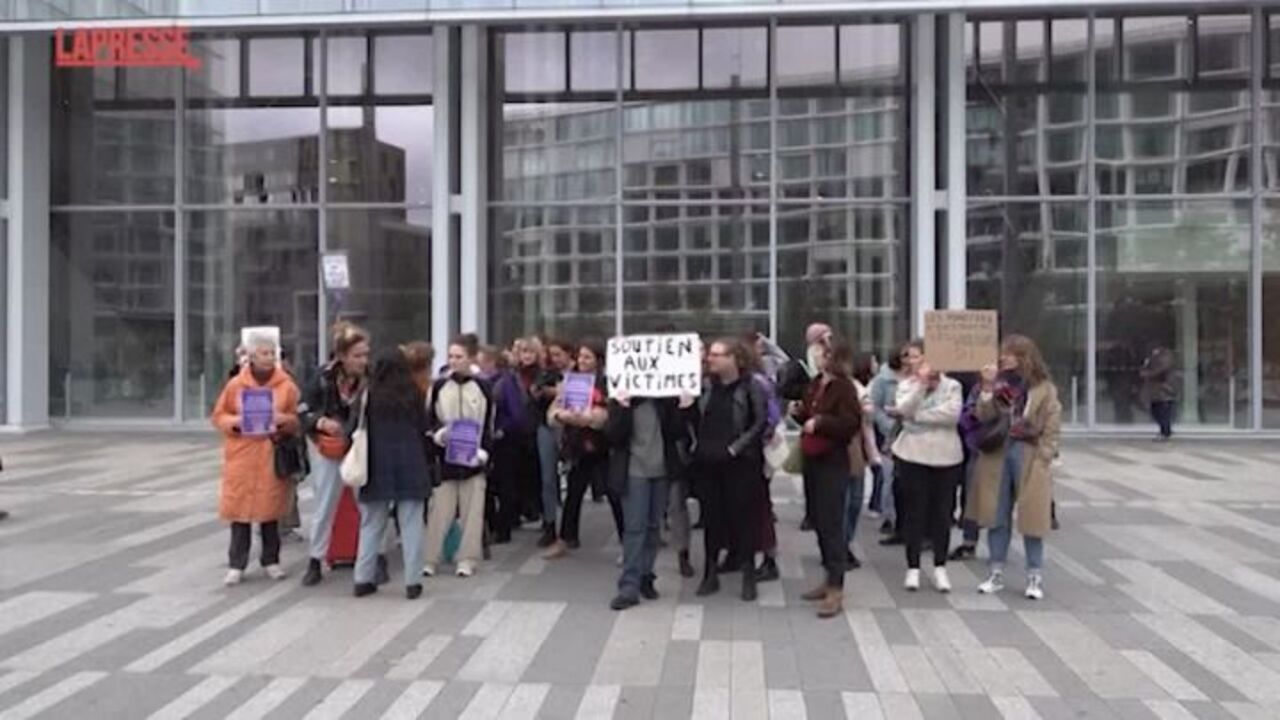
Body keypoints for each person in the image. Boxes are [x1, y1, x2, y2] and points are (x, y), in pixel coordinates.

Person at [969, 335, 1063, 600]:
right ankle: (995, 572)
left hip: (1028, 453)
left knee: (1032, 518)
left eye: (1009, 353)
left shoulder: (1043, 388)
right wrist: (987, 387)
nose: (1003, 357)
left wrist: (1045, 456)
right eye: (1003, 352)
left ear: (1024, 356)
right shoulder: (997, 384)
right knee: (996, 515)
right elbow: (982, 416)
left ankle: (1034, 575)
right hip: (998, 453)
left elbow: (1053, 425)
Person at [211, 333, 301, 586]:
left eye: (273, 353)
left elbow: (297, 418)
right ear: (250, 356)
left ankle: (271, 560)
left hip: (270, 454)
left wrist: (283, 421)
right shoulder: (236, 385)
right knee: (239, 514)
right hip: (242, 455)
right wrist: (235, 423)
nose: (270, 358)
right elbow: (219, 415)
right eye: (264, 353)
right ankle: (236, 564)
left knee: (269, 512)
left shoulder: (287, 386)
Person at [604, 390, 696, 611]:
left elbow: (677, 433)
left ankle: (646, 575)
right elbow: (612, 436)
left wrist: (684, 408)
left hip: (661, 470)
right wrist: (623, 407)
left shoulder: (665, 401)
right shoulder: (623, 399)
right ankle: (629, 585)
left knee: (654, 526)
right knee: (635, 527)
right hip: (634, 471)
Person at [353, 351, 433, 600]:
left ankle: (363, 578)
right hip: (411, 462)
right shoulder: (414, 393)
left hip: (377, 464)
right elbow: (424, 428)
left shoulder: (370, 395)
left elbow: (355, 426)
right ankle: (413, 582)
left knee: (371, 524)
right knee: (411, 524)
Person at [694, 338, 768, 602]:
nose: (710, 359)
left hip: (741, 463)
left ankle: (748, 573)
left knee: (744, 519)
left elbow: (760, 421)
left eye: (717, 355)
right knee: (712, 518)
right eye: (710, 355)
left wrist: (735, 448)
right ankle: (710, 572)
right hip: (708, 461)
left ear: (734, 359)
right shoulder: (704, 387)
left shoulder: (751, 386)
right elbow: (692, 419)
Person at [792, 341, 862, 618]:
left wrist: (820, 423)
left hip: (833, 462)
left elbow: (849, 424)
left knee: (832, 523)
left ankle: (836, 587)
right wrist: (800, 415)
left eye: (823, 353)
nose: (818, 357)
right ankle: (827, 578)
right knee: (819, 520)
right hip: (813, 459)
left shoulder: (844, 387)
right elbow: (809, 417)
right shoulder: (816, 383)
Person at [299, 321, 371, 587]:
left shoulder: (370, 379)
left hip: (358, 445)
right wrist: (320, 422)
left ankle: (374, 557)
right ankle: (315, 560)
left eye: (365, 354)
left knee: (368, 503)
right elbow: (302, 409)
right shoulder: (322, 378)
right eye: (357, 355)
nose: (363, 361)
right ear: (342, 356)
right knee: (325, 502)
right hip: (328, 447)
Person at [891, 339, 964, 594]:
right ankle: (912, 567)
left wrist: (919, 417)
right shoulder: (906, 385)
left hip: (946, 455)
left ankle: (940, 566)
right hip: (913, 454)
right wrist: (921, 387)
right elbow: (903, 410)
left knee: (943, 512)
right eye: (910, 357)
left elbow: (952, 415)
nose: (914, 362)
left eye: (918, 357)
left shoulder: (952, 386)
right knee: (915, 511)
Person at [423, 335, 494, 578]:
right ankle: (430, 557)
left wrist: (485, 452)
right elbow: (430, 419)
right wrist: (438, 435)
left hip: (474, 460)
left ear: (471, 358)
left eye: (459, 356)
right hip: (446, 459)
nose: (454, 361)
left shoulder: (483, 387)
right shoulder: (440, 386)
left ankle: (467, 558)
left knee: (472, 512)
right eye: (451, 356)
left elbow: (489, 424)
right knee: (439, 510)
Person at [544, 340, 621, 558]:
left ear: (598, 359)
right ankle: (566, 539)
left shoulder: (607, 382)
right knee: (574, 492)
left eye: (587, 357)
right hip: (579, 445)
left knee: (614, 493)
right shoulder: (571, 381)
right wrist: (563, 415)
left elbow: (609, 414)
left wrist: (588, 418)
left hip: (604, 444)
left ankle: (627, 542)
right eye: (580, 357)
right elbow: (554, 412)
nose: (582, 361)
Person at [479, 345, 526, 545]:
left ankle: (503, 527)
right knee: (490, 484)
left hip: (505, 440)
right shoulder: (486, 381)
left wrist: (502, 429)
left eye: (481, 362)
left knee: (505, 484)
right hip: (491, 438)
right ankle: (492, 524)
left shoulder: (505, 383)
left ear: (491, 362)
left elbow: (516, 414)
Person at [533, 338, 574, 548]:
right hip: (548, 426)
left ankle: (569, 528)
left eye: (559, 355)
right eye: (552, 355)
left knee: (573, 478)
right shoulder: (547, 373)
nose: (555, 359)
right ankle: (549, 523)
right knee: (548, 477)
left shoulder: (578, 375)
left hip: (573, 428)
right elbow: (537, 391)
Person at [870, 348, 910, 546]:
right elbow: (875, 407)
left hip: (913, 436)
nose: (909, 360)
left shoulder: (921, 379)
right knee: (890, 479)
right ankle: (892, 520)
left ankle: (908, 525)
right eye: (906, 355)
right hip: (891, 436)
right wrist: (887, 425)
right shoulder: (883, 379)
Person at [1140, 345, 1176, 442]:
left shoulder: (1166, 357)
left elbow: (1160, 371)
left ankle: (1165, 432)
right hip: (1156, 391)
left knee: (1162, 412)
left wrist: (1147, 373)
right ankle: (1164, 431)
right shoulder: (1152, 358)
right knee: (1155, 410)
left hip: (1164, 390)